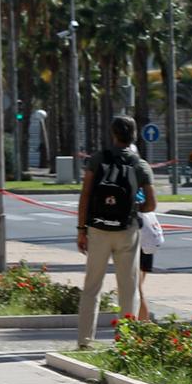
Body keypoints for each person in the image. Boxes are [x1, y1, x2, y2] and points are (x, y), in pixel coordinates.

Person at [76, 116, 155, 348]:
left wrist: (82, 229)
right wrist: (133, 207)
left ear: (113, 134)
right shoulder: (139, 164)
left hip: (98, 229)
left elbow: (86, 195)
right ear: (134, 135)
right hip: (126, 231)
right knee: (128, 289)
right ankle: (126, 343)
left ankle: (84, 340)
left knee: (92, 287)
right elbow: (151, 204)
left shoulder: (97, 160)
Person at [135, 207, 164, 323]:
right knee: (137, 289)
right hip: (147, 243)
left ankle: (143, 324)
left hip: (138, 245)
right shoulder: (143, 196)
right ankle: (141, 322)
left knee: (136, 289)